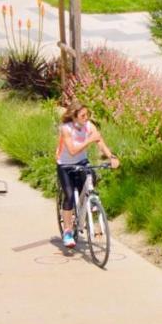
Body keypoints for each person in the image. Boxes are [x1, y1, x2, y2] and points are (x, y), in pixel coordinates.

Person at [55, 104, 118, 249]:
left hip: (82, 162)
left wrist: (111, 156)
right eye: (83, 115)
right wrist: (89, 140)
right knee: (69, 196)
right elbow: (72, 150)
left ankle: (88, 206)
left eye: (87, 114)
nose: (86, 118)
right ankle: (68, 231)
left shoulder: (89, 126)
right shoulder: (66, 129)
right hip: (65, 165)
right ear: (74, 116)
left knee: (92, 177)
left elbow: (100, 142)